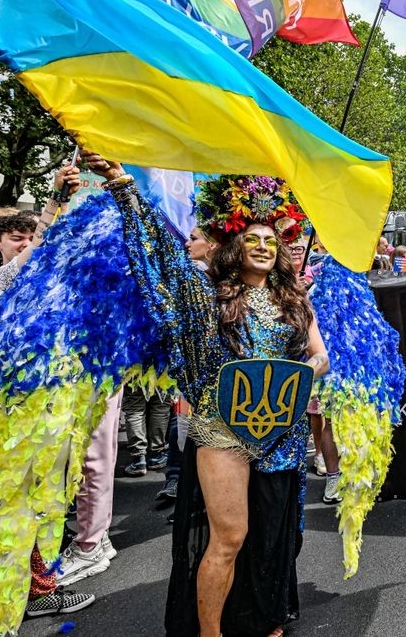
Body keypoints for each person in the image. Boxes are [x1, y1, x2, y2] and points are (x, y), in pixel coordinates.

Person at [92, 158, 331, 637]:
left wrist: (304, 371)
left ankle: (263, 616)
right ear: (234, 247)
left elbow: (319, 354)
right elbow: (161, 255)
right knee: (230, 536)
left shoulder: (295, 300)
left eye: (271, 241)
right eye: (252, 239)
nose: (262, 247)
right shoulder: (207, 296)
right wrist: (123, 185)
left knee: (273, 534)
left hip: (282, 431)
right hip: (223, 429)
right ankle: (210, 632)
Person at [0, 164, 96, 629]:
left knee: (22, 515)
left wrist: (57, 199)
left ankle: (34, 594)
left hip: (11, 434)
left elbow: (37, 251)